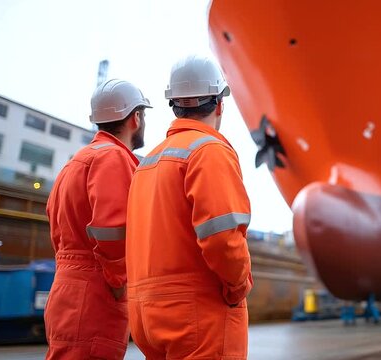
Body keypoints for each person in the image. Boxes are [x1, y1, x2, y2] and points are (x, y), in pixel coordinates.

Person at [126, 55, 253, 359]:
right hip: (197, 313)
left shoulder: (147, 163)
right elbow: (223, 237)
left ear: (175, 104)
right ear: (220, 104)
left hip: (146, 314)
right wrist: (239, 287)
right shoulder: (209, 151)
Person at [44, 79, 151, 359]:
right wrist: (119, 282)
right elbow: (111, 229)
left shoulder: (76, 161)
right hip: (96, 291)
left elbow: (57, 226)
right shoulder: (113, 158)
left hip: (67, 286)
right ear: (135, 118)